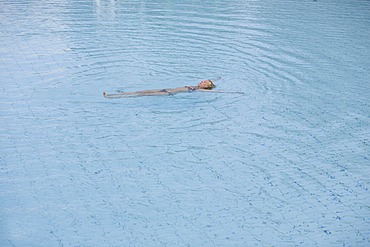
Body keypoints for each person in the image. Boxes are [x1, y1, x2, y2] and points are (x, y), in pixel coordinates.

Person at [103, 79, 216, 98]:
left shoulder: (198, 89)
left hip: (168, 94)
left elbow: (214, 90)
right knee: (141, 91)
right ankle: (119, 94)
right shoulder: (195, 86)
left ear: (206, 87)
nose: (202, 81)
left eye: (205, 82)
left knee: (142, 95)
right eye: (203, 80)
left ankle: (111, 97)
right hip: (165, 89)